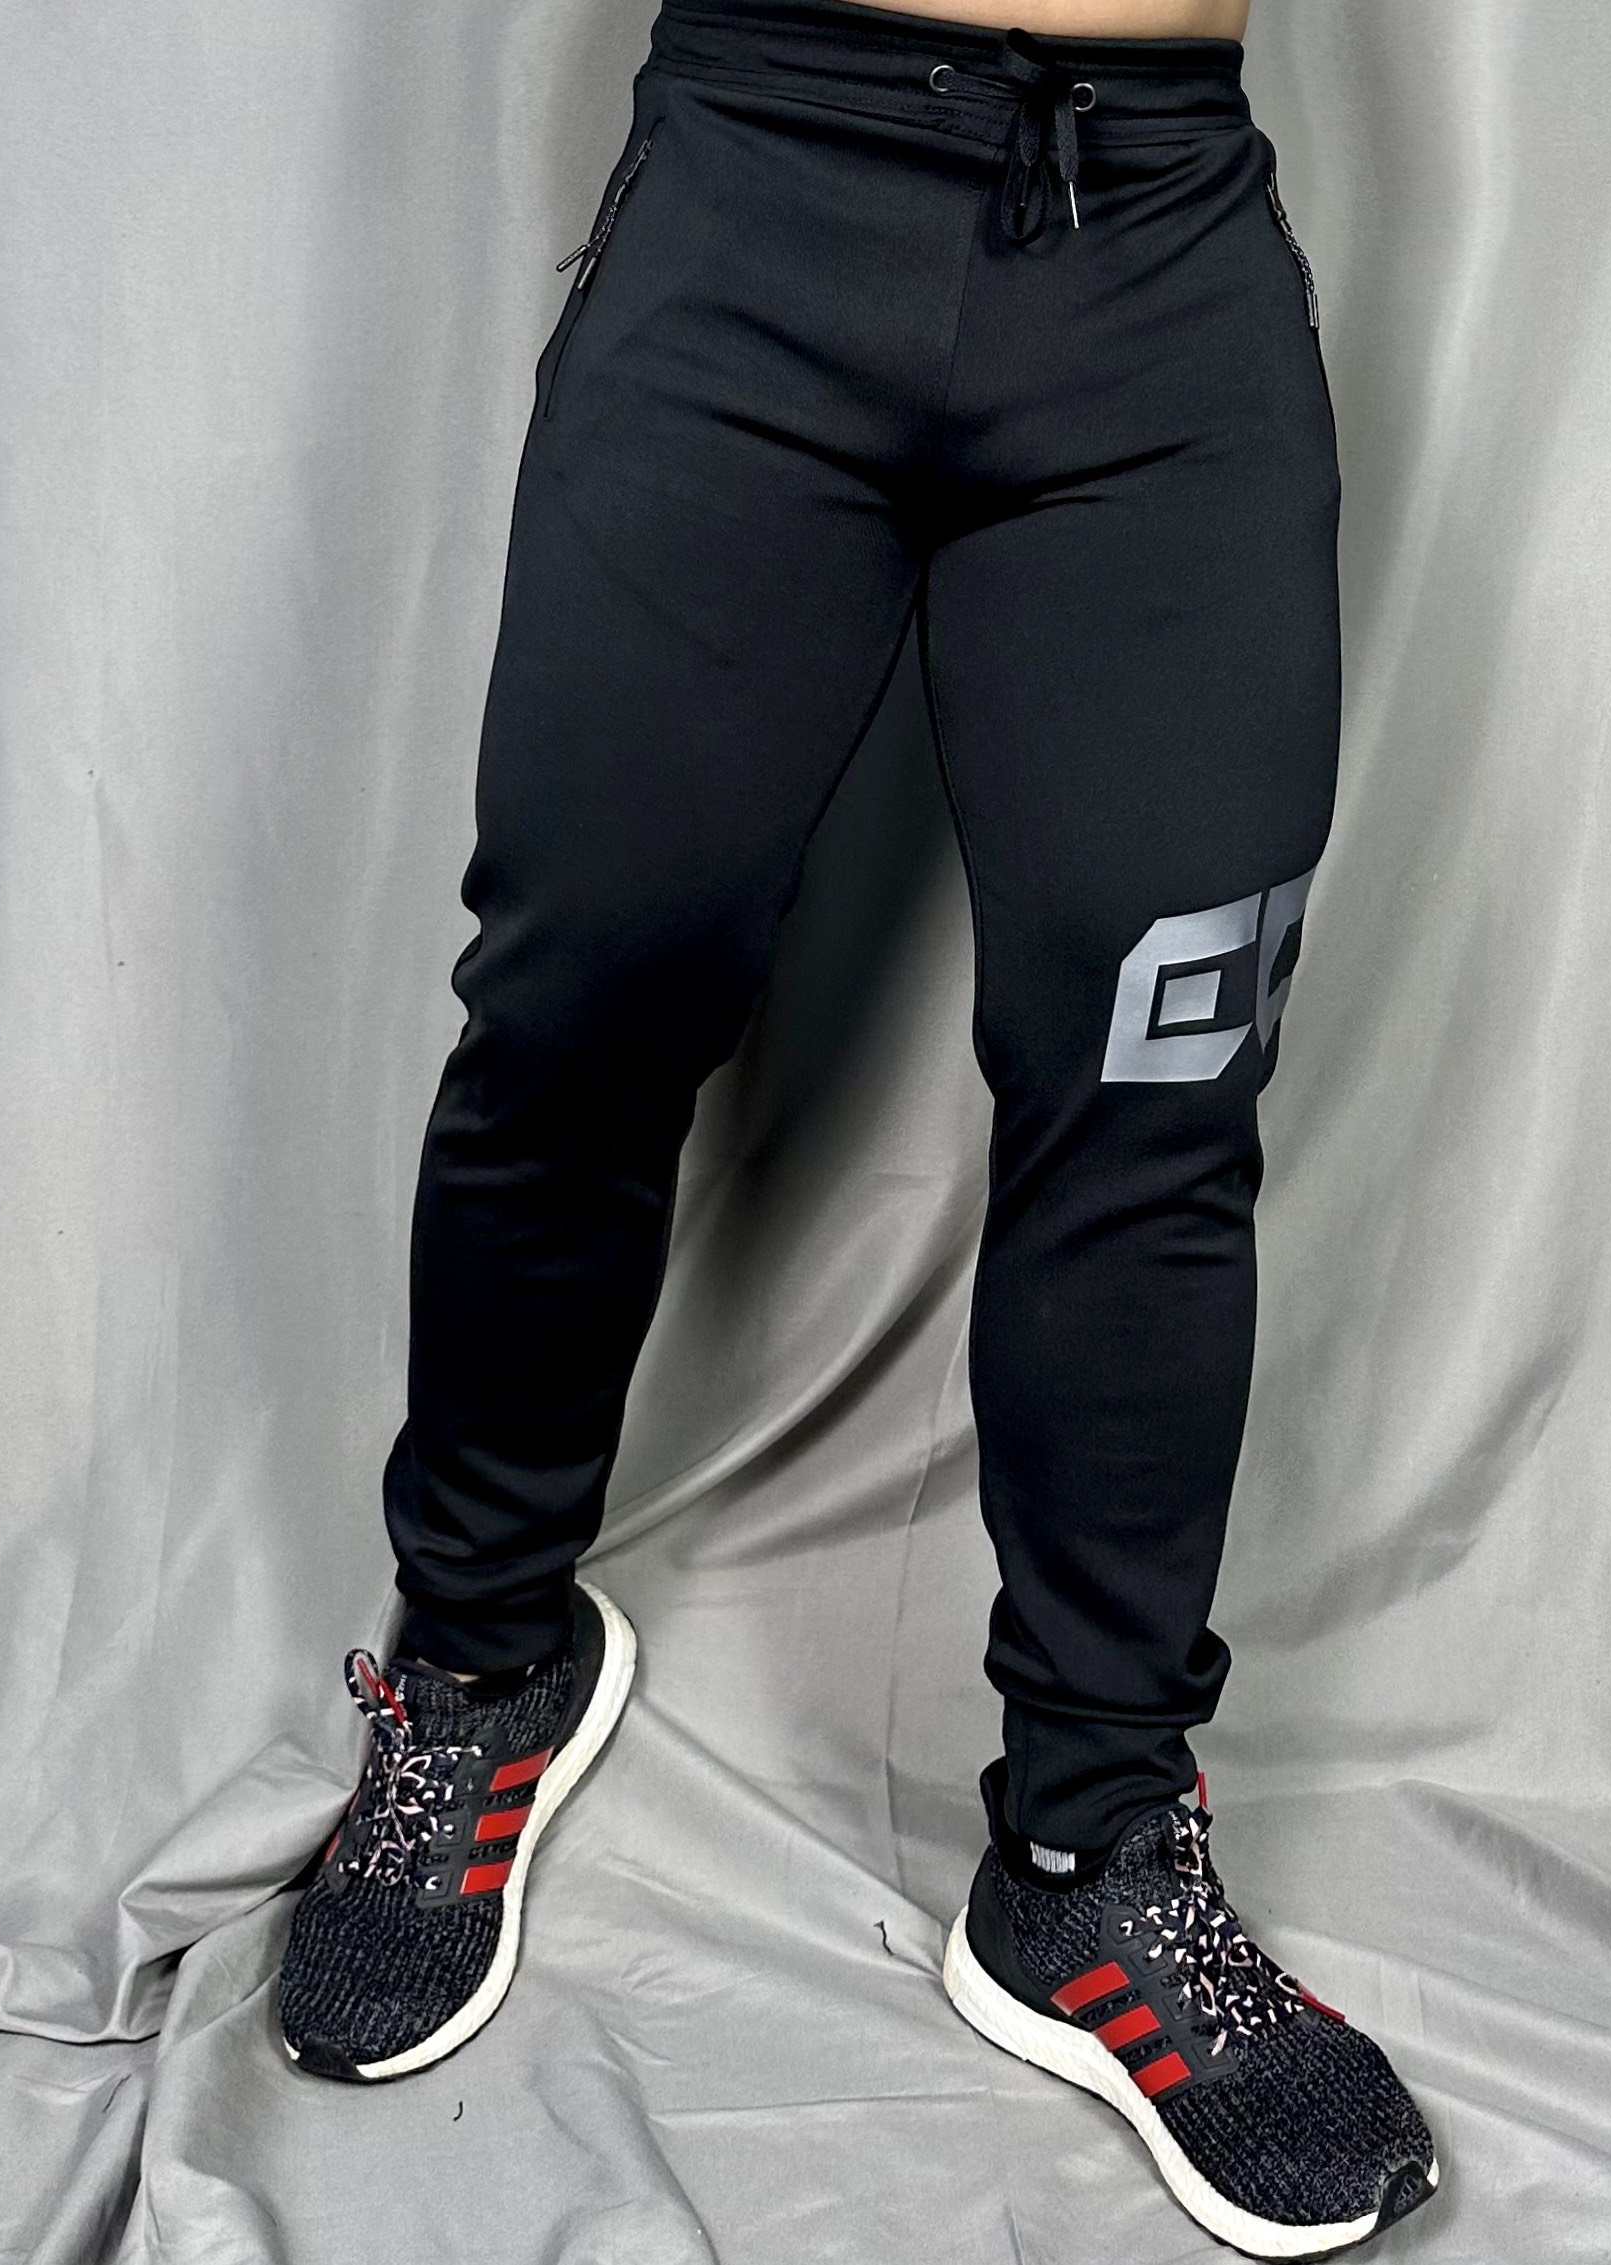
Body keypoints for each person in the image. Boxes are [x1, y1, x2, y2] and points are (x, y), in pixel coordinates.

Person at [273, 0, 1439, 2249]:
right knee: (581, 1001)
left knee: (1154, 1088)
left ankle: (1090, 1845)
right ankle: (482, 1654)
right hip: (759, 187)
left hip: (1154, 261)